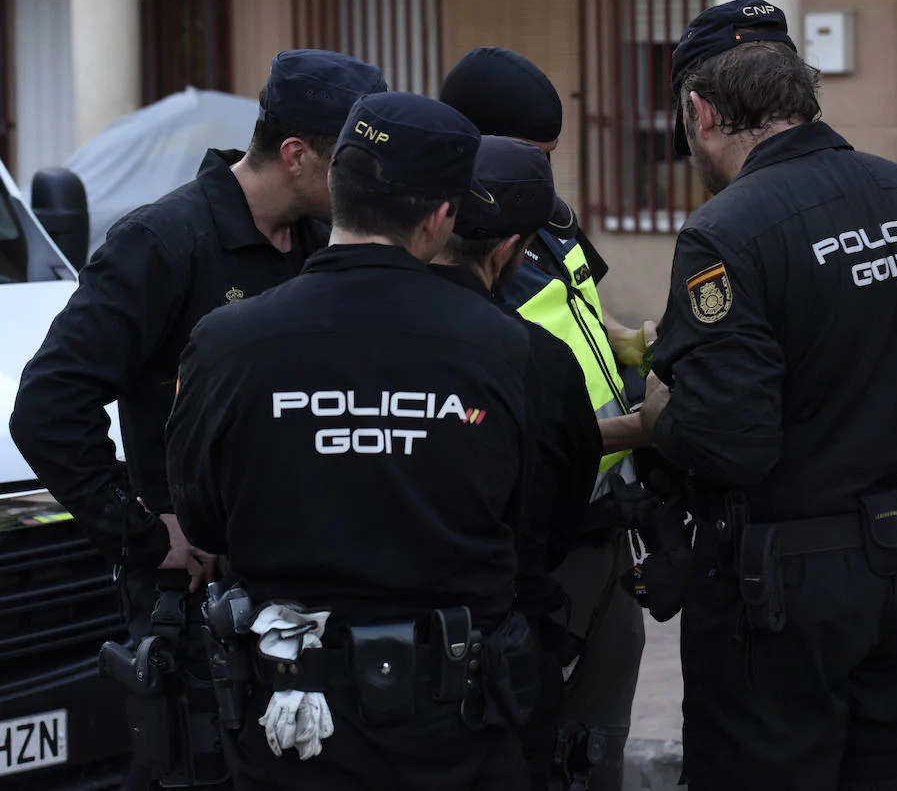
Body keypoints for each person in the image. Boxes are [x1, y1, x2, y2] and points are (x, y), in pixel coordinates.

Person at [631, 0, 897, 791]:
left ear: (700, 111)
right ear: (801, 97)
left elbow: (728, 438)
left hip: (782, 602)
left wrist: (663, 412)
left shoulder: (725, 234)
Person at [9, 48, 385, 787]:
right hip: (196, 609)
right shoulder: (163, 242)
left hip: (307, 593)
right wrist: (144, 529)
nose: (363, 185)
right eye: (351, 163)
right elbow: (49, 406)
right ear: (296, 154)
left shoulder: (321, 246)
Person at [166, 91, 536, 791]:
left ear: (336, 188)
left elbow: (205, 518)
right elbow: (530, 518)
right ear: (440, 219)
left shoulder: (227, 342)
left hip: (291, 727)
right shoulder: (506, 346)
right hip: (452, 726)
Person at [440, 46, 649, 791]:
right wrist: (639, 429)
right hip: (542, 534)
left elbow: (592, 312)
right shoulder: (456, 247)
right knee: (537, 735)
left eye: (550, 157)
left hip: (607, 519)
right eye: (533, 155)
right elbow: (499, 429)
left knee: (601, 736)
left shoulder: (545, 217)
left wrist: (645, 341)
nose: (545, 174)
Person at [430, 134, 603, 790]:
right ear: (509, 250)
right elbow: (566, 508)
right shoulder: (540, 362)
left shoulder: (337, 337)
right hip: (500, 658)